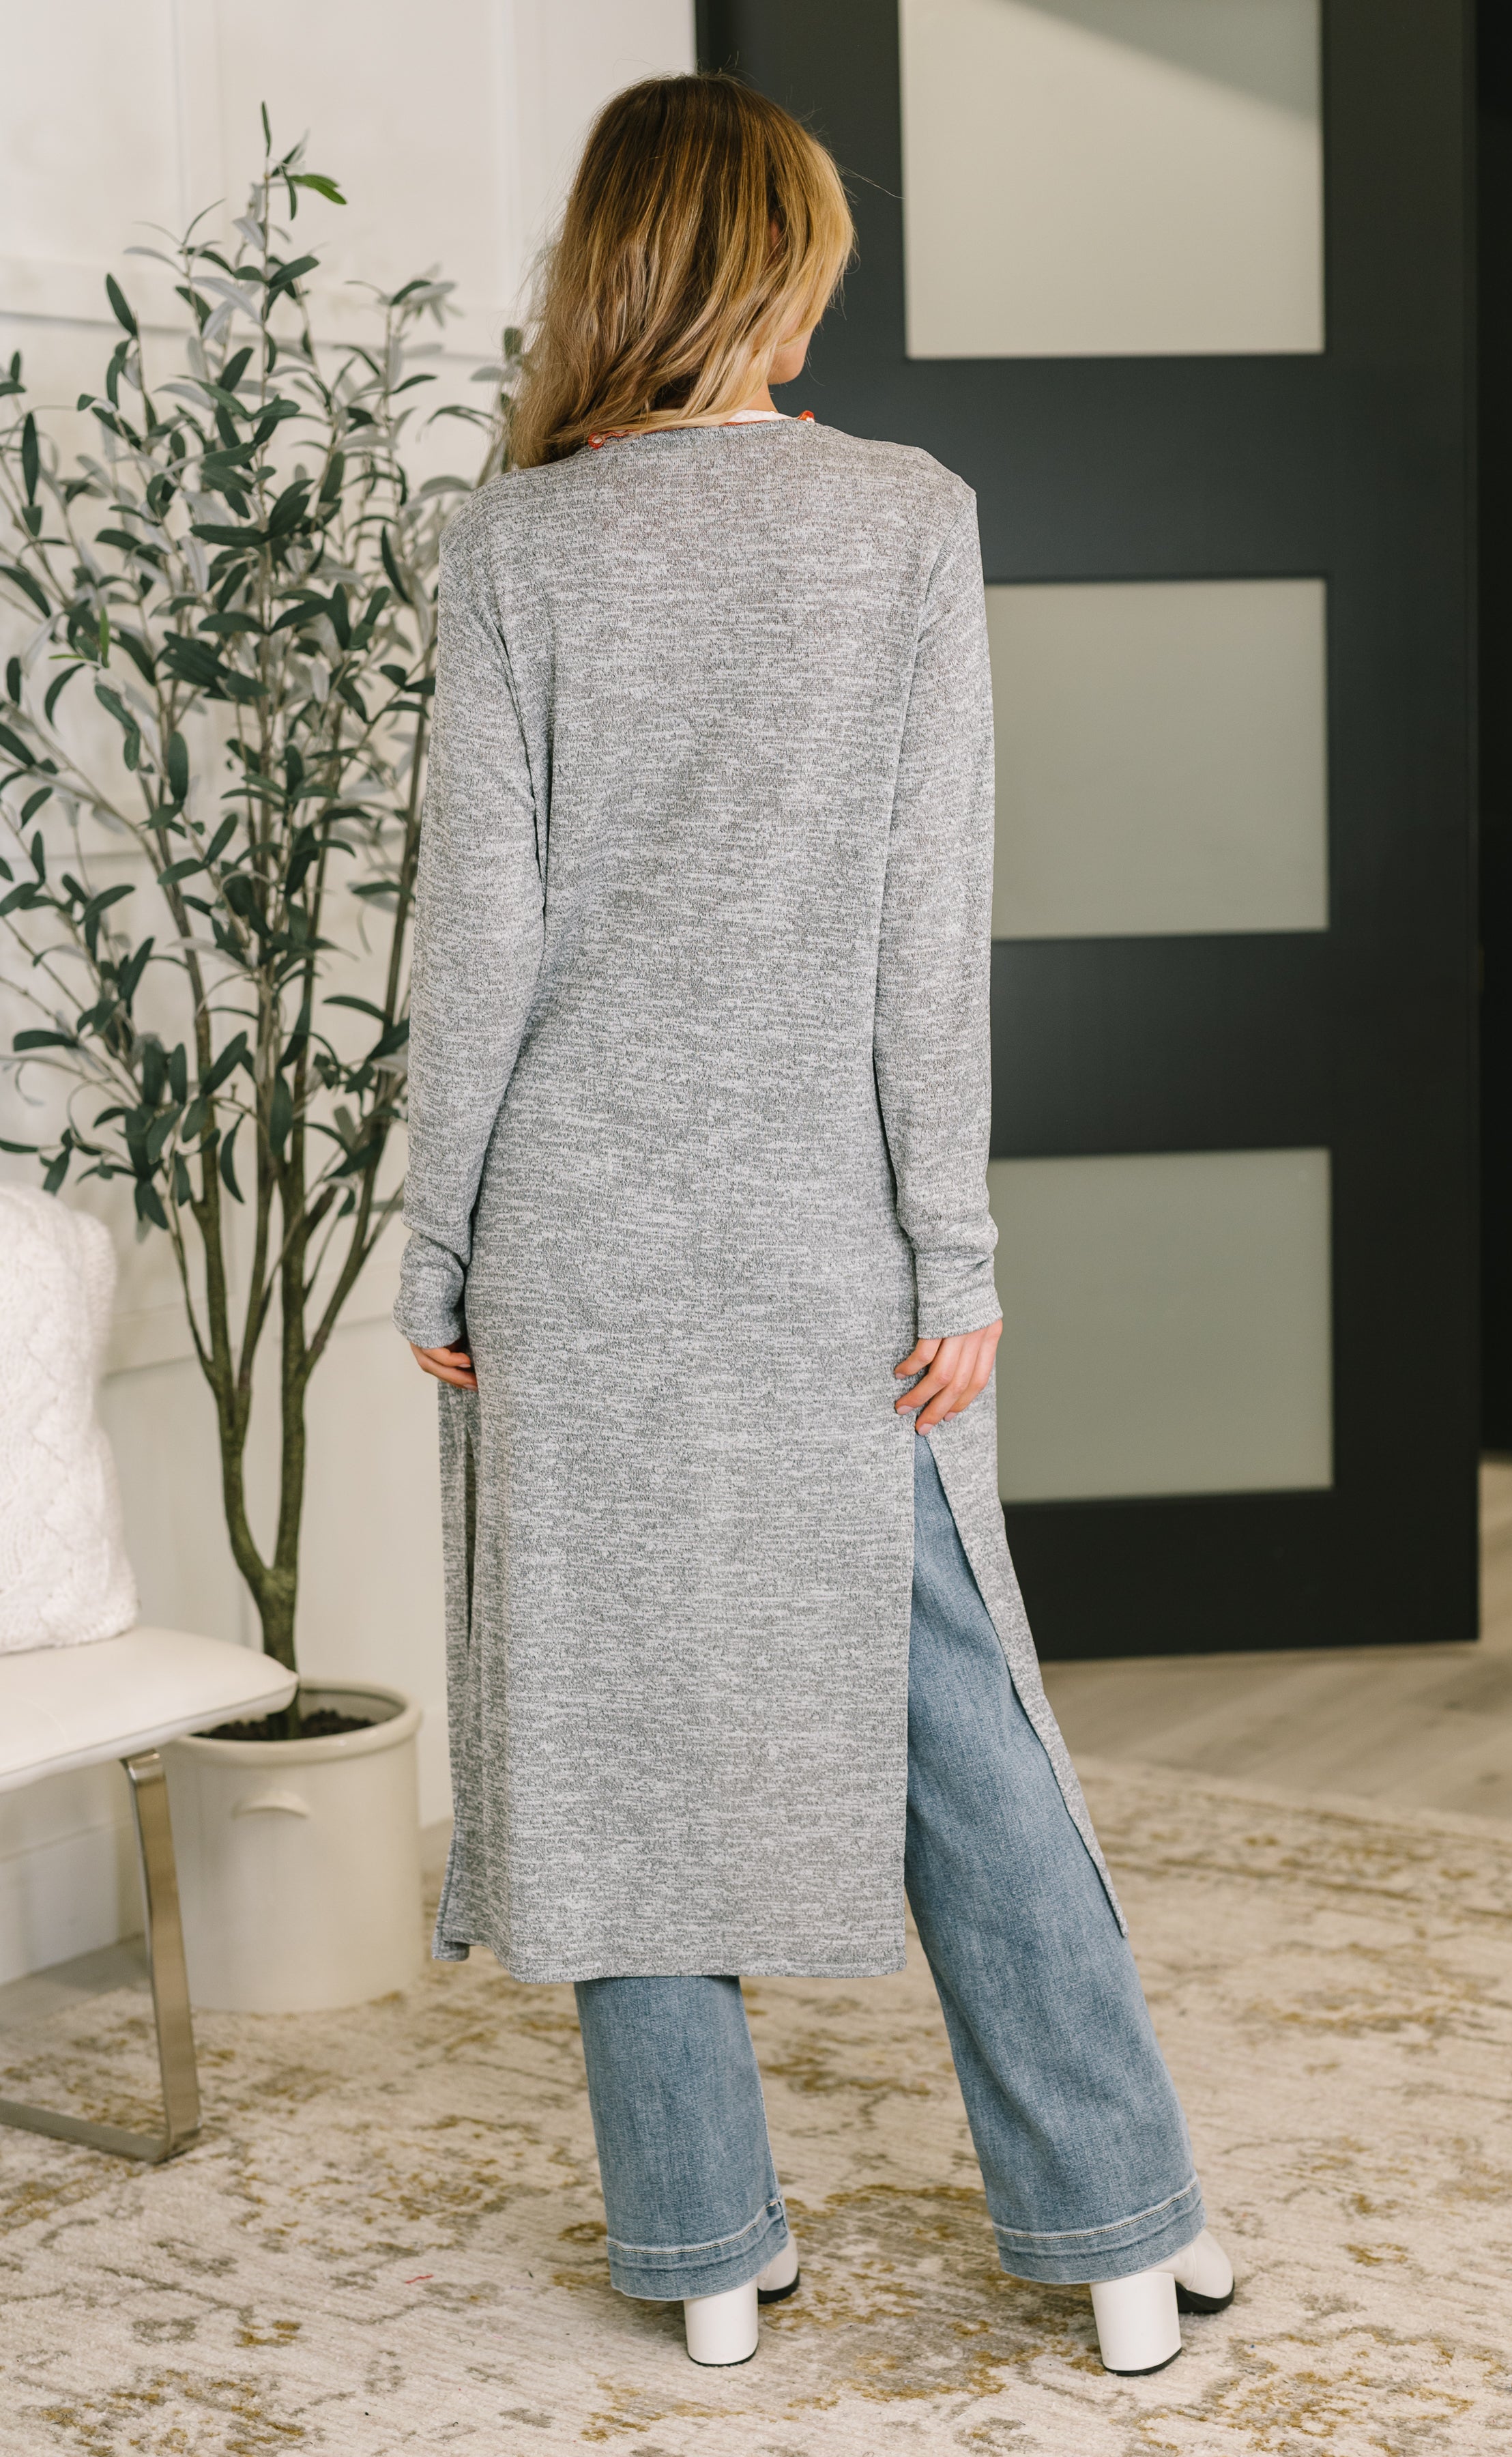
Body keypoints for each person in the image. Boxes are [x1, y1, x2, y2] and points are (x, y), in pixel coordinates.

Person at [394, 70, 1234, 2377]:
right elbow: (918, 933)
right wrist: (953, 1254)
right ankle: (1117, 2224)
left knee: (607, 1721)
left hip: (574, 1232)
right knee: (962, 1723)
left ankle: (698, 2250)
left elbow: (477, 938)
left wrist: (438, 1245)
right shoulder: (901, 519)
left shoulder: (515, 544)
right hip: (820, 1237)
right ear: (769, 270)